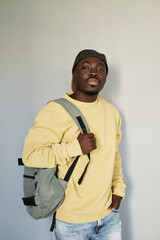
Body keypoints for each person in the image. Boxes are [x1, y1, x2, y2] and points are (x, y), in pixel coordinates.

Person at [22, 49, 126, 240]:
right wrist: (75, 148)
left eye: (100, 69)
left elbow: (115, 155)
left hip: (108, 216)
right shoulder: (55, 110)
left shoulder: (112, 112)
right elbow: (31, 155)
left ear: (105, 77)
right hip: (71, 222)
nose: (94, 72)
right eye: (86, 67)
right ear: (75, 75)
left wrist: (118, 189)